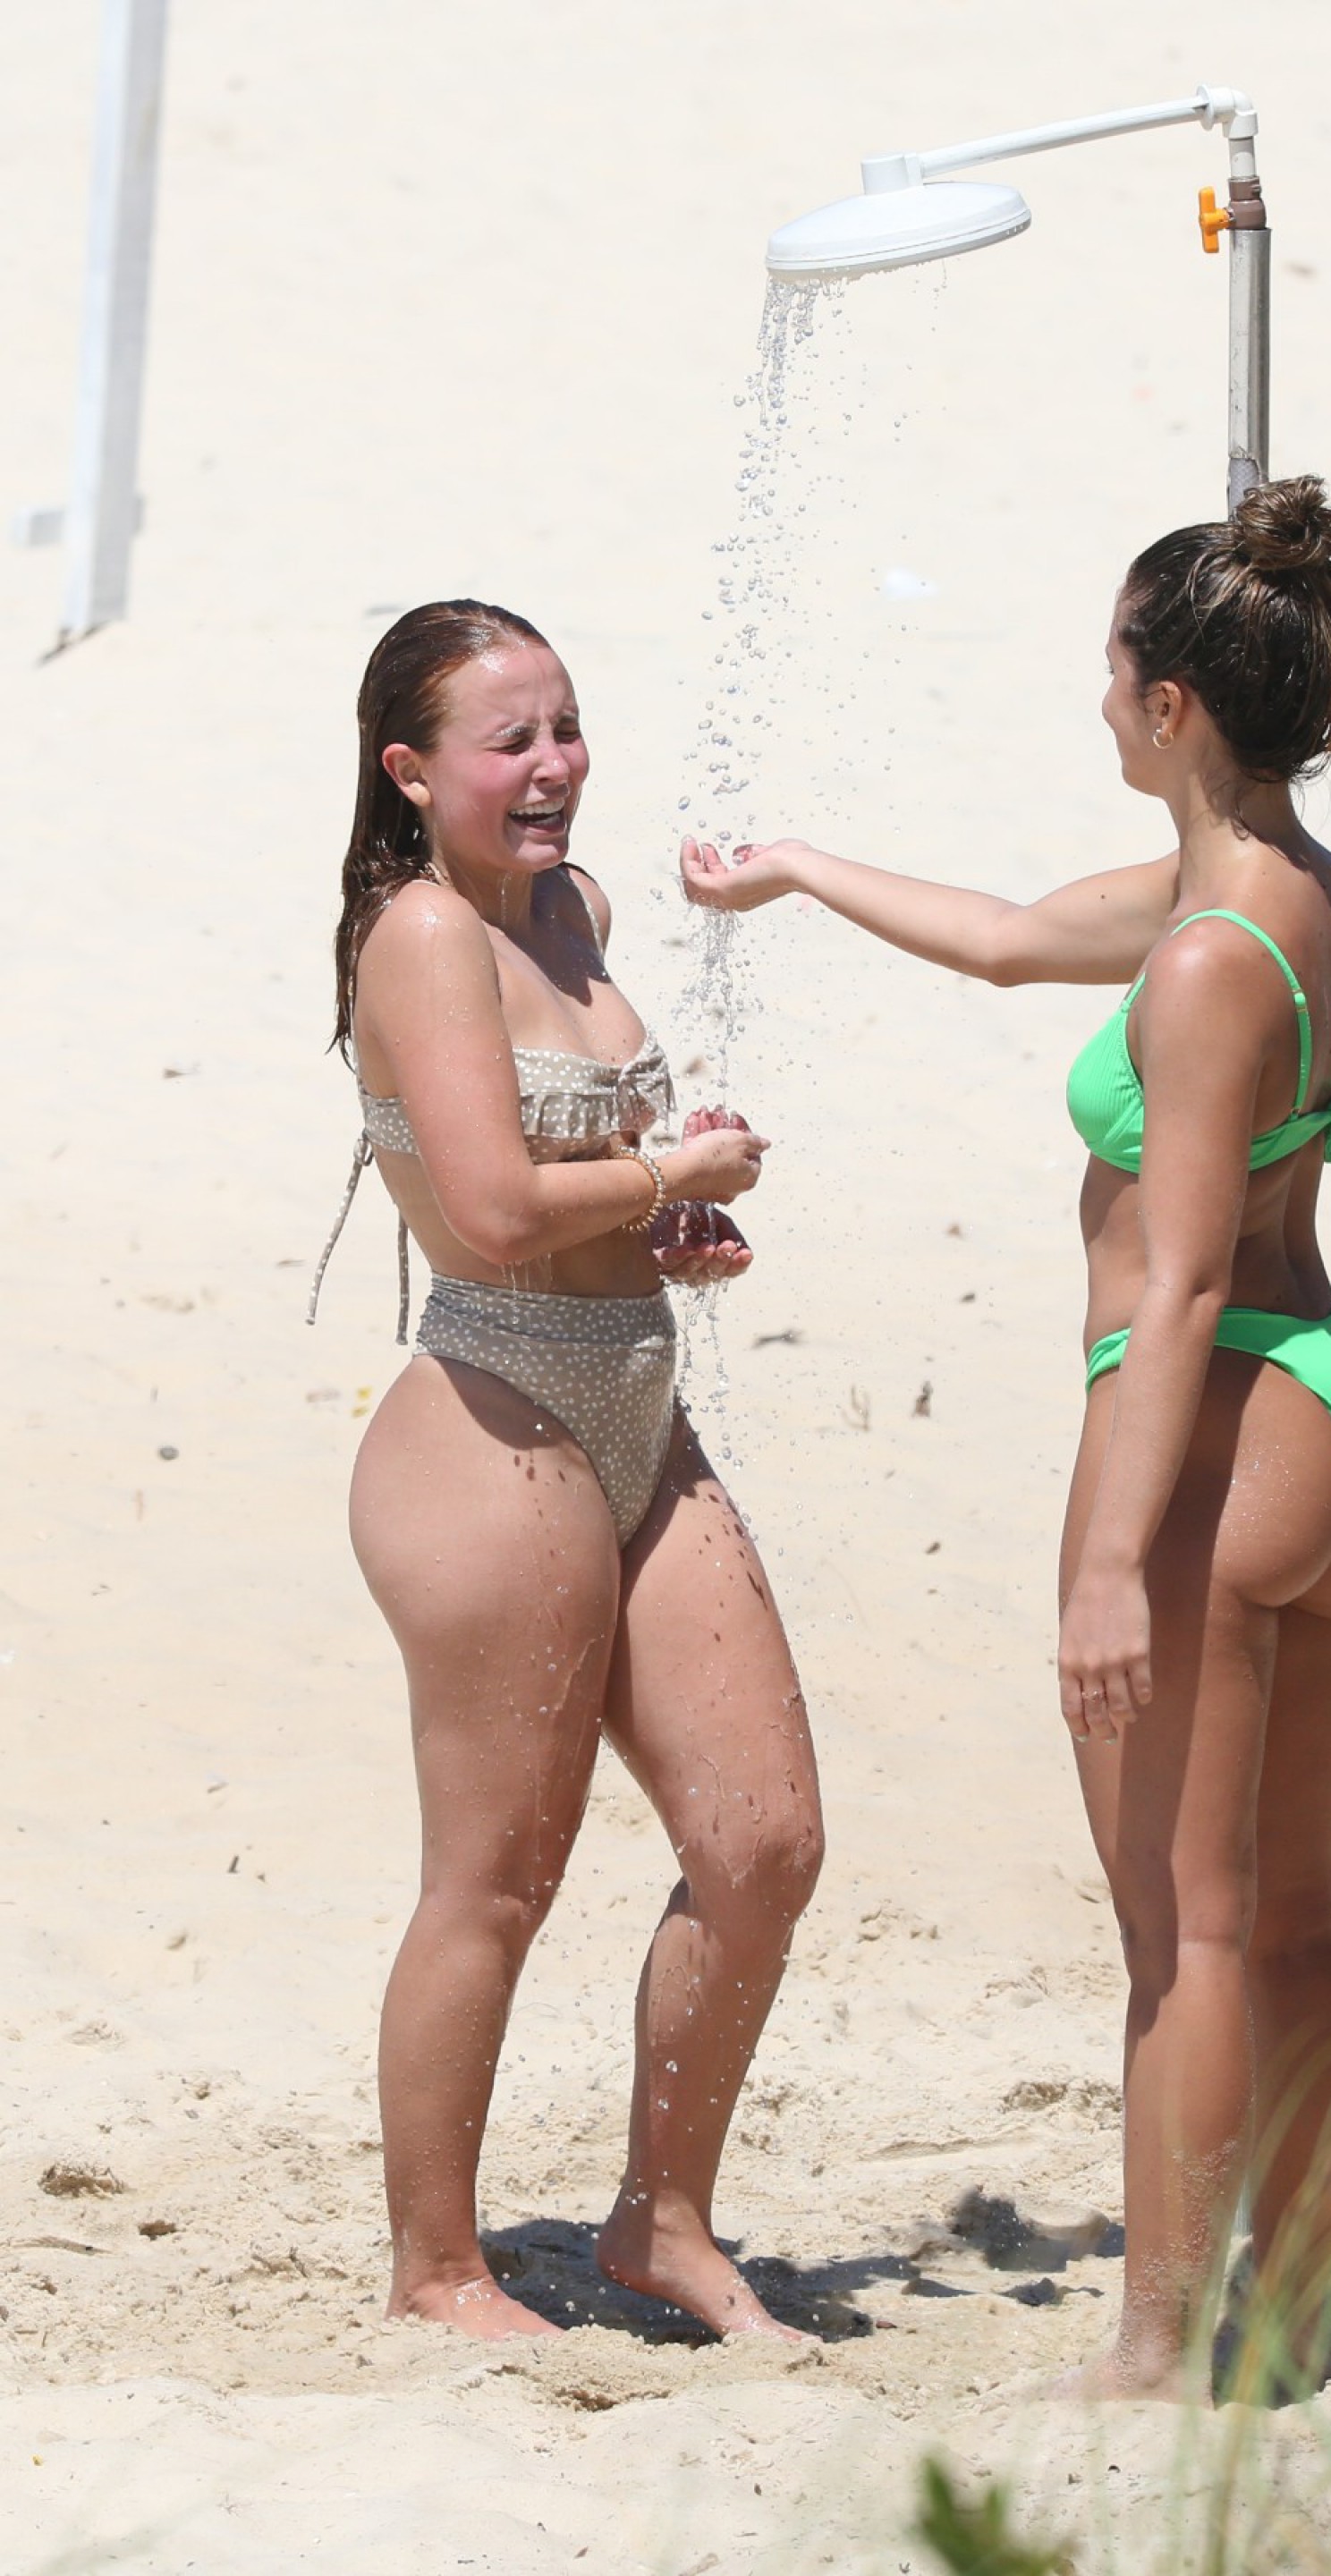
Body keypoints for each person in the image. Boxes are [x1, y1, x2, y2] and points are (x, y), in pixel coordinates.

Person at [681, 479, 1331, 2398]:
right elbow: (1007, 940)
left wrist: (1104, 1568)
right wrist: (801, 868)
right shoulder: (1285, 898)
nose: (1094, 697)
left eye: (1112, 666)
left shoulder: (1195, 964)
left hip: (1217, 1437)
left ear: (1173, 703)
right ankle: (1303, 2301)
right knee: (1298, 1919)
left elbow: (1167, 1289)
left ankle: (1159, 2355)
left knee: (1186, 1940)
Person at [313, 599, 823, 2343]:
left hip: (635, 1397)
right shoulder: (420, 935)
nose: (553, 770)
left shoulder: (575, 911)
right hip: (491, 1417)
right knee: (500, 1873)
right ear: (411, 771)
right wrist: (681, 1172)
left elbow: (582, 1168)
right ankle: (437, 2270)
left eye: (569, 728)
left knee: (763, 1840)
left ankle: (655, 2220)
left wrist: (668, 1216)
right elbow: (493, 1206)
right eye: (509, 742)